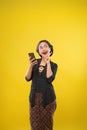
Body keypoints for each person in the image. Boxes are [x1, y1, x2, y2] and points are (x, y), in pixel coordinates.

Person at [25, 40, 58, 130]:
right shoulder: (35, 63)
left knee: (46, 123)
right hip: (34, 98)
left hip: (48, 98)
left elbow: (49, 78)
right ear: (38, 51)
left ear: (50, 49)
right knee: (34, 123)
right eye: (41, 47)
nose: (43, 48)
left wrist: (47, 63)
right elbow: (27, 78)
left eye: (45, 46)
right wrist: (30, 66)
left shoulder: (53, 65)